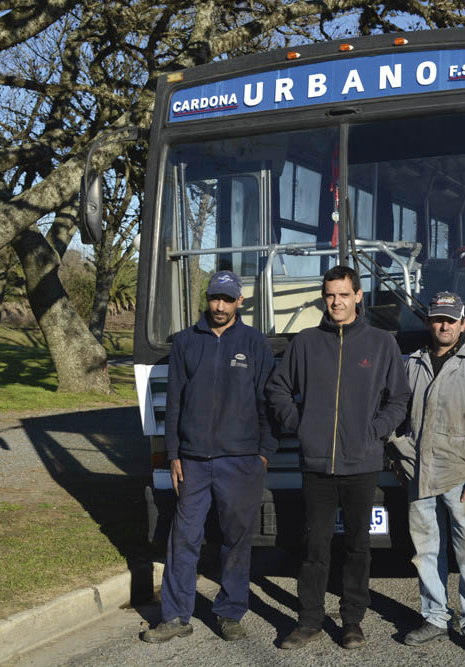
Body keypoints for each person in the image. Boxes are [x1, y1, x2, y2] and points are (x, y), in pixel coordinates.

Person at [265, 265, 410, 650]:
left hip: (362, 463)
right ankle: (309, 620)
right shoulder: (306, 343)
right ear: (323, 297)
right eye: (330, 295)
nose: (337, 302)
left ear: (358, 296)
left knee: (358, 547)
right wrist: (300, 425)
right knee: (315, 548)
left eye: (344, 295)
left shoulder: (381, 344)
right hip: (316, 466)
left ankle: (351, 622)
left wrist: (376, 430)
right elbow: (278, 389)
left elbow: (399, 398)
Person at [143, 270, 277, 644]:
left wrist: (265, 454)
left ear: (240, 302)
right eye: (215, 298)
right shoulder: (186, 342)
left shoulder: (254, 343)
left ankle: (230, 611)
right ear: (208, 299)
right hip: (193, 462)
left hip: (242, 461)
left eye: (227, 299)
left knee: (237, 539)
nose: (220, 306)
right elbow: (174, 405)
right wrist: (173, 454)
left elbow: (267, 403)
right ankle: (175, 616)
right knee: (183, 538)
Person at [388, 291, 465, 657]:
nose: (443, 325)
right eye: (437, 319)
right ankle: (434, 618)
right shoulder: (411, 363)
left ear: (462, 324)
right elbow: (392, 413)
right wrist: (400, 457)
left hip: (464, 478)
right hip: (420, 476)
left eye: (450, 319)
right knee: (427, 552)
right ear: (429, 322)